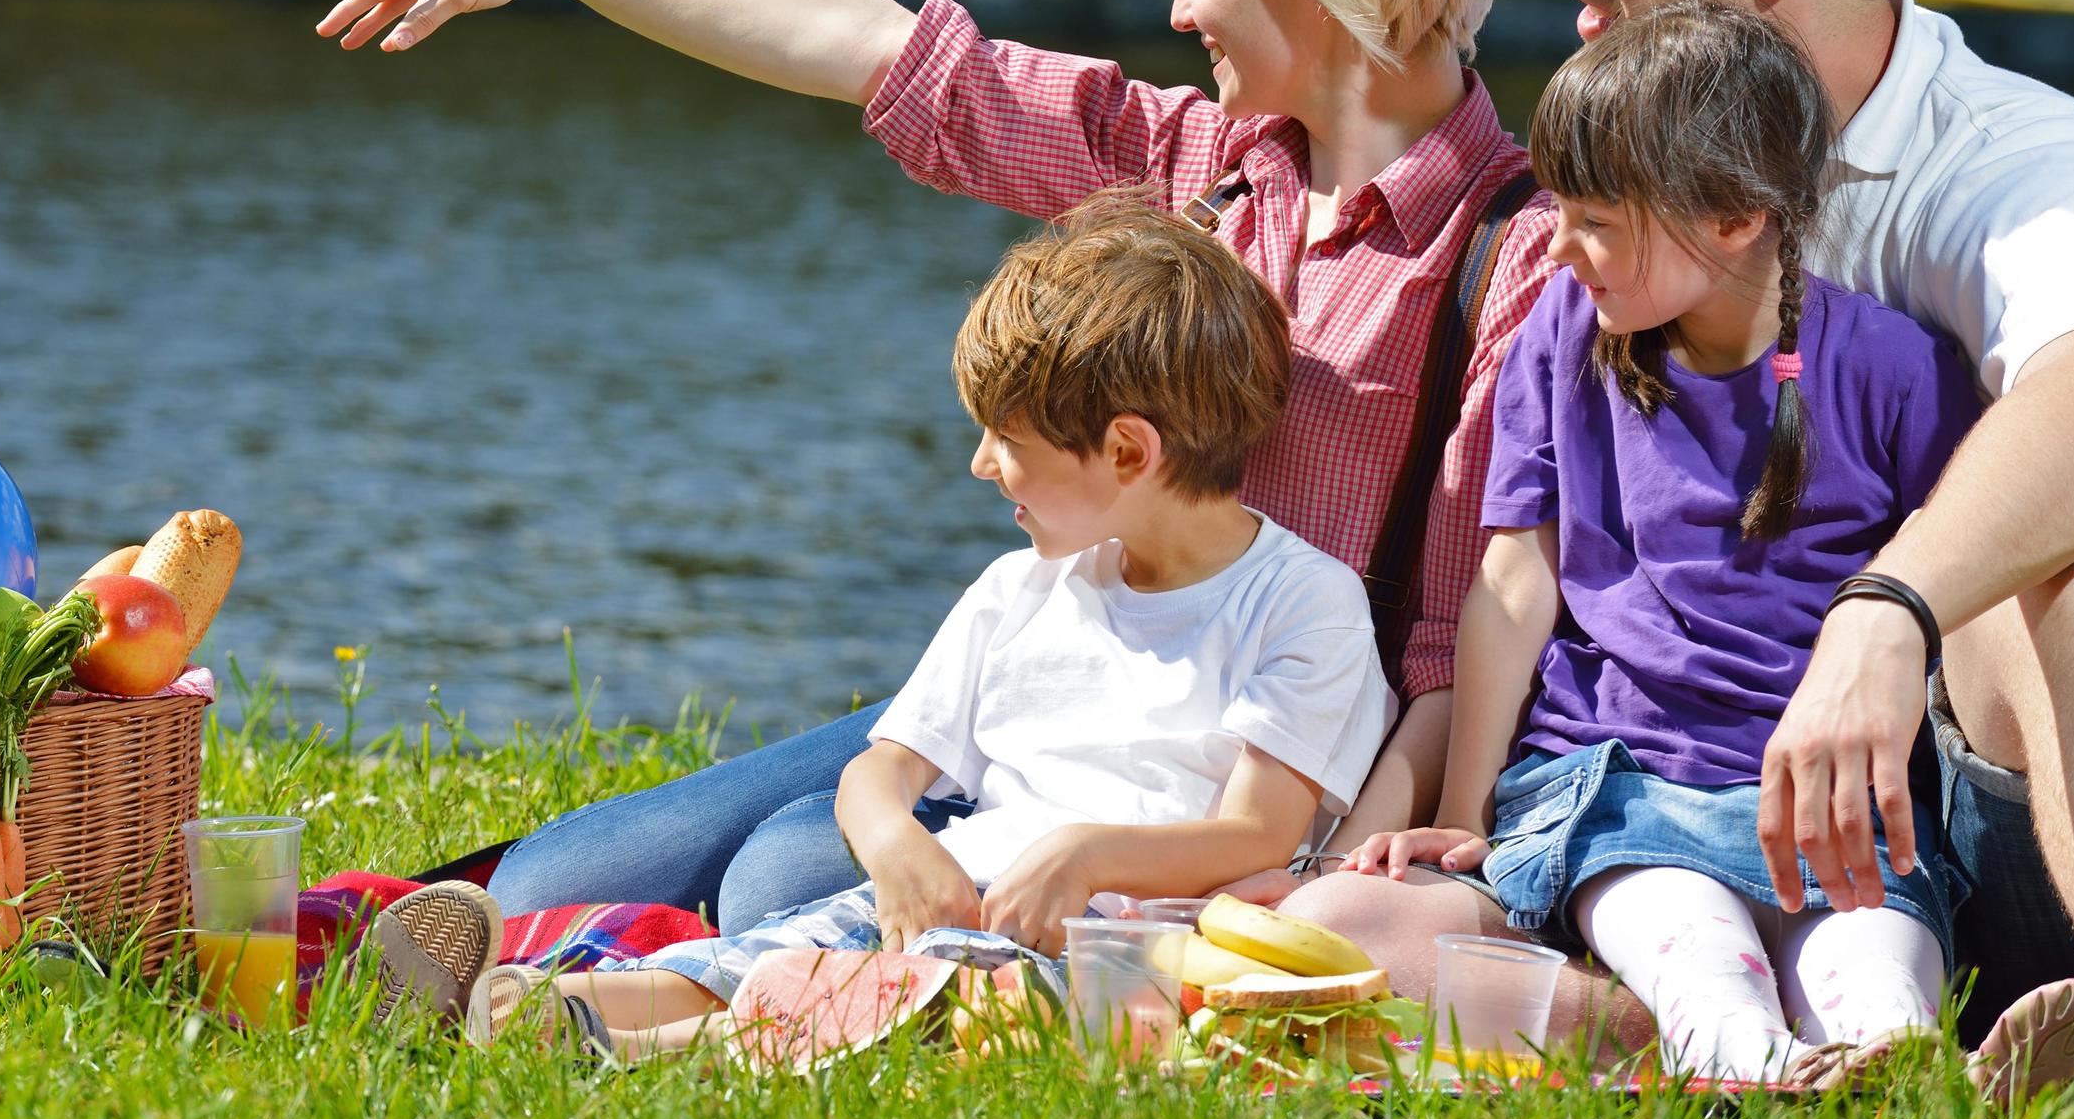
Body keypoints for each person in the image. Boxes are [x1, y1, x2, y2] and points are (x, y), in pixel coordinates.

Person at [309, 0, 1556, 938]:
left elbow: (1454, 627)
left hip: (1220, 776)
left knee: (780, 882)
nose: (1179, 8)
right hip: (1045, 695)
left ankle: (663, 984)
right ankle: (553, 950)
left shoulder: (1514, 253)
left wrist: (1368, 864)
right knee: (549, 879)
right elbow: (872, 48)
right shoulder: (1195, 165)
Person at [1285, 0, 2074, 1119]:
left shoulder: (2018, 155)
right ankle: (1750, 1054)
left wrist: (1884, 611)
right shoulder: (1610, 200)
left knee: (2061, 557)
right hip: (1678, 800)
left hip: (1998, 800)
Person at [471, 195, 1391, 1060]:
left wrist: (1084, 853)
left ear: (1125, 451)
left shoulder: (1302, 600)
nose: (980, 464)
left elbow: (1258, 834)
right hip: (960, 892)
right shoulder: (1017, 590)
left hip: (1124, 939)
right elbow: (884, 768)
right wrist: (895, 845)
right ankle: (549, 1010)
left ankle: (626, 1047)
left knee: (941, 1001)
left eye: (1008, 441)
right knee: (767, 956)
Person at [1352, 1, 1976, 1084]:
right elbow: (1516, 578)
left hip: (1828, 812)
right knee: (1701, 965)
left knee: (1874, 980)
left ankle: (1912, 1075)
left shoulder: (1897, 369)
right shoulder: (1562, 332)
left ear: (1736, 215)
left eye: (1596, 218)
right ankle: (1762, 1074)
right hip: (1621, 788)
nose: (1557, 244)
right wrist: (1466, 815)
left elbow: (1962, 581)